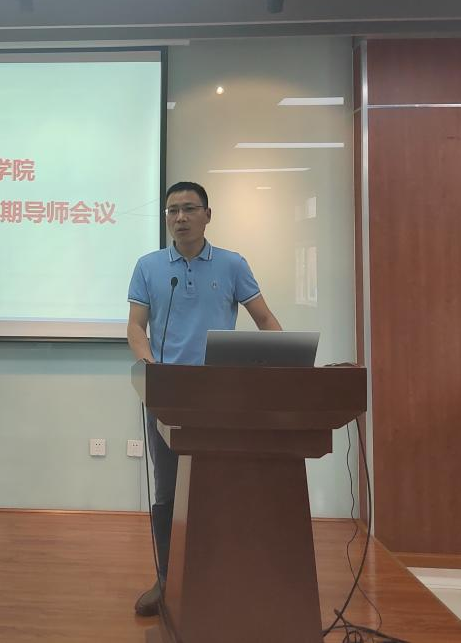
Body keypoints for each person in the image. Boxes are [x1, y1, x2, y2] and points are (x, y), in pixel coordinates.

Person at [126, 180, 282, 617]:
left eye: (189, 209)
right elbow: (136, 326)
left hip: (221, 397)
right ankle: (166, 579)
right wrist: (150, 365)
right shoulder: (149, 266)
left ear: (208, 215)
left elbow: (264, 318)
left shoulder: (232, 264)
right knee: (168, 491)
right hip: (168, 396)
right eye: (172, 210)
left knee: (221, 489)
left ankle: (221, 578)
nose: (180, 218)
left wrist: (289, 365)